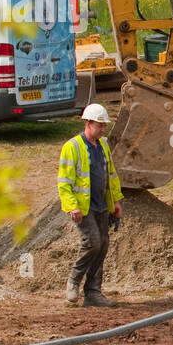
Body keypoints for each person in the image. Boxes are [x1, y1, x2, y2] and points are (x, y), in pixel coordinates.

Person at [58, 103, 124, 306]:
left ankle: (93, 293)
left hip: (102, 204)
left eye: (104, 126)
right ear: (88, 123)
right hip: (83, 207)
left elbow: (110, 176)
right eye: (99, 125)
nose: (103, 129)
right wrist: (72, 206)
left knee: (102, 246)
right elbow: (64, 182)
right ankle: (73, 280)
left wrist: (116, 201)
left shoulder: (103, 145)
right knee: (93, 243)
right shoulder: (73, 147)